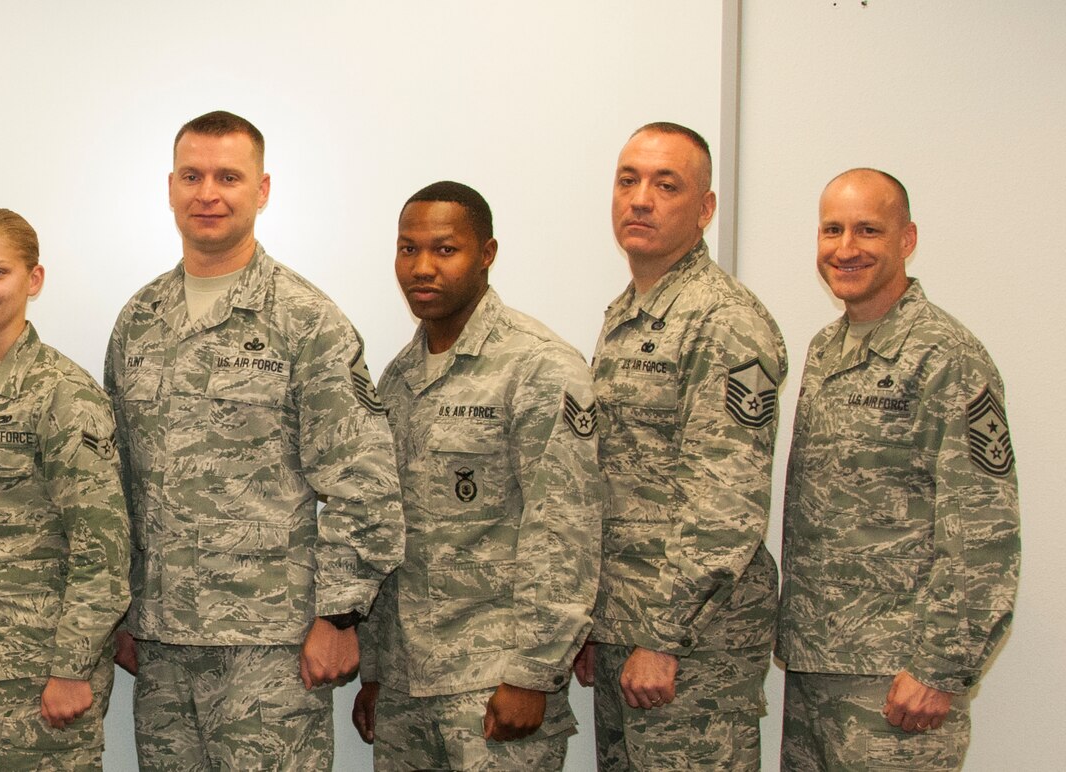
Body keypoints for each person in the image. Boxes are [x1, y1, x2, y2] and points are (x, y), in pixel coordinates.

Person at [104, 110, 405, 770]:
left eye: (228, 177)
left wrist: (341, 617)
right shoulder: (139, 322)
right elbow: (118, 484)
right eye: (193, 175)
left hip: (271, 649)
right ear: (170, 187)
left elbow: (364, 479)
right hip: (162, 645)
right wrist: (120, 614)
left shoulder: (305, 320)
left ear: (261, 190)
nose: (208, 192)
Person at [351, 182, 602, 771]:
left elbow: (565, 527)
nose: (423, 267)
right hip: (409, 687)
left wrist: (534, 673)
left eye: (445, 249)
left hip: (493, 683)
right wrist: (376, 671)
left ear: (486, 254)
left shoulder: (539, 366)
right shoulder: (397, 379)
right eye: (407, 249)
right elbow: (389, 534)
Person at [777, 169, 1019, 771]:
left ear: (907, 239)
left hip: (898, 680)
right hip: (817, 666)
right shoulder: (825, 349)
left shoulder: (947, 355)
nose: (845, 247)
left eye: (868, 230)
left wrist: (941, 667)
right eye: (831, 229)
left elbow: (984, 528)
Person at [575, 122, 784, 771]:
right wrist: (597, 621)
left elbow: (725, 503)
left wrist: (662, 638)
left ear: (705, 209)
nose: (640, 199)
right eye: (628, 180)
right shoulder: (627, 314)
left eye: (667, 185)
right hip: (628, 632)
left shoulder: (724, 321)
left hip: (692, 646)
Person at [0, 208, 132, 770]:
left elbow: (102, 545)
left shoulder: (63, 394)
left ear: (33, 280)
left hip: (37, 678)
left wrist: (72, 667)